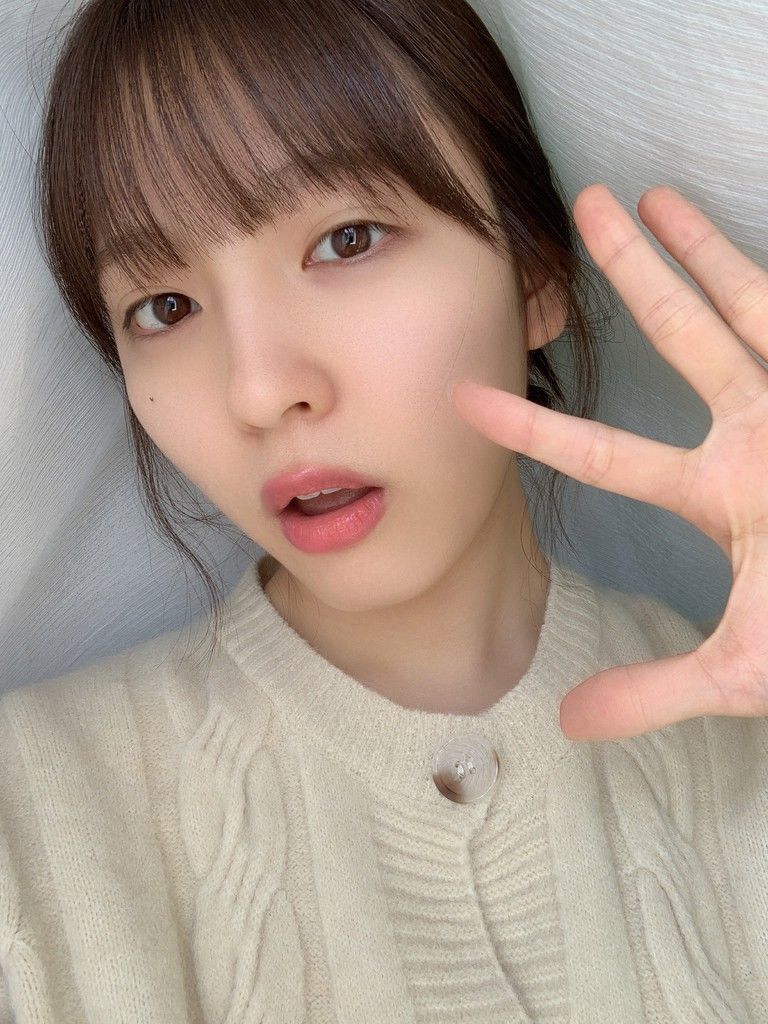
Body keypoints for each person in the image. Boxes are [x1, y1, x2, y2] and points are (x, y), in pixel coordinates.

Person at [1, 0, 766, 1020]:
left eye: (347, 239)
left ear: (536, 272)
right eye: (164, 308)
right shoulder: (29, 820)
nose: (259, 390)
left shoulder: (746, 732)